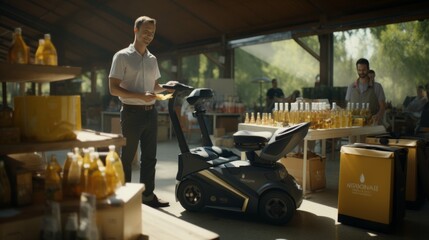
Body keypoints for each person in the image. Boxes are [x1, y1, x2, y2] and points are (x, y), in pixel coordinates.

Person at [109, 16, 175, 208]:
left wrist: (166, 87)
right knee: (127, 158)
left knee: (149, 158)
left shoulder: (152, 59)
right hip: (131, 113)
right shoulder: (121, 56)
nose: (149, 36)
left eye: (152, 33)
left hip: (151, 113)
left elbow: (153, 87)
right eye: (145, 31)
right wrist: (140, 95)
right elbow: (113, 88)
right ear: (135, 30)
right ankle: (126, 198)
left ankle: (147, 196)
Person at [345, 59, 386, 125]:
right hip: (354, 126)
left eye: (364, 70)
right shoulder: (351, 87)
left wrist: (378, 116)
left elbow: (382, 107)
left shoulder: (377, 87)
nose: (361, 72)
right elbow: (347, 107)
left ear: (368, 69)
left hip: (372, 125)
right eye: (359, 70)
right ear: (357, 70)